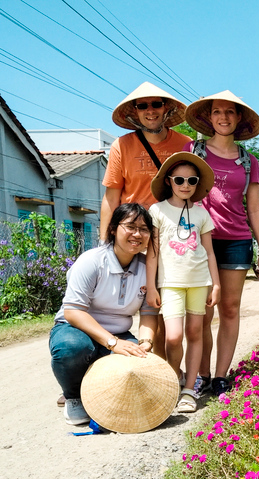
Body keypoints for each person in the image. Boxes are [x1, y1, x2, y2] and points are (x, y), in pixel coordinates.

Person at [184, 90, 259, 396]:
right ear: (209, 118)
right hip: (198, 242)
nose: (223, 117)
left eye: (230, 112)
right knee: (202, 311)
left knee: (230, 309)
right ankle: (201, 373)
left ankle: (221, 375)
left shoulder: (250, 162)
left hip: (236, 240)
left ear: (239, 119)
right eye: (217, 112)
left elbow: (254, 207)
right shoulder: (193, 150)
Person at [100, 82, 191, 362]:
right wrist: (105, 242)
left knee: (165, 309)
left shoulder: (184, 144)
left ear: (167, 109)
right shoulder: (122, 145)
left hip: (172, 238)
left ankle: (165, 371)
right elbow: (111, 197)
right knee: (119, 306)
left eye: (156, 104)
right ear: (135, 113)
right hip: (134, 235)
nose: (150, 110)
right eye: (143, 106)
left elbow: (194, 191)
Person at [49, 203, 159, 425]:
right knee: (73, 349)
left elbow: (148, 314)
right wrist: (112, 343)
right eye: (130, 226)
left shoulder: (147, 268)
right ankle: (74, 396)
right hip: (74, 328)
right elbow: (72, 311)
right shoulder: (92, 261)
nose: (137, 234)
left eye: (144, 229)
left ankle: (102, 397)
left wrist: (146, 342)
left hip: (117, 333)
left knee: (135, 367)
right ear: (113, 229)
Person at [146, 152, 220, 413]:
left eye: (191, 180)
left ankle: (189, 389)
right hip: (170, 284)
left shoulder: (202, 214)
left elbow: (210, 252)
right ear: (169, 181)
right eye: (179, 179)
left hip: (200, 282)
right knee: (174, 336)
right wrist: (152, 286)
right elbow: (152, 252)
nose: (185, 185)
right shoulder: (156, 210)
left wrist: (217, 284)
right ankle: (174, 378)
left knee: (195, 333)